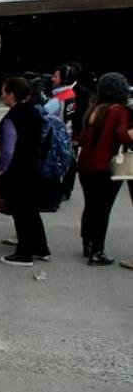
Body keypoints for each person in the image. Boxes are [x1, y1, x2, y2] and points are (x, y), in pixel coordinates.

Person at [77, 72, 133, 266]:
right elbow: (123, 135)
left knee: (91, 205)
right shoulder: (121, 111)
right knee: (103, 209)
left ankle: (87, 243)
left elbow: (83, 138)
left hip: (85, 163)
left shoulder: (95, 108)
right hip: (106, 166)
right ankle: (97, 251)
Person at [0, 77, 51, 266]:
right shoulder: (34, 112)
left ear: (12, 94)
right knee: (31, 211)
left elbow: (9, 149)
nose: (2, 95)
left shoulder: (14, 116)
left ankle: (24, 253)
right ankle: (40, 248)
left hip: (17, 171)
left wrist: (1, 170)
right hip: (33, 168)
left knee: (21, 213)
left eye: (4, 92)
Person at [63, 62, 91, 201]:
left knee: (70, 161)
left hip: (73, 132)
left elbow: (83, 115)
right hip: (61, 131)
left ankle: (66, 190)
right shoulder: (60, 91)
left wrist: (78, 134)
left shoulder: (82, 92)